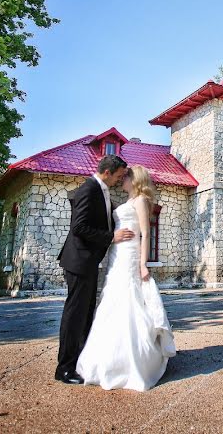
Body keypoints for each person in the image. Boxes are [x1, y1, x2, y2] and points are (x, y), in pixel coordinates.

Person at [76, 165, 177, 391]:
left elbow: (145, 233)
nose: (122, 179)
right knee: (111, 300)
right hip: (117, 254)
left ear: (135, 179)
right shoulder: (127, 200)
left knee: (128, 300)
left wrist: (143, 264)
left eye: (126, 176)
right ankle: (106, 357)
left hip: (130, 255)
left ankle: (134, 362)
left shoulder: (141, 200)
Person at [55, 154, 135, 385]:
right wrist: (111, 237)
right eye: (119, 176)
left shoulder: (102, 190)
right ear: (107, 172)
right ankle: (64, 368)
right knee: (74, 316)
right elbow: (79, 228)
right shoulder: (88, 190)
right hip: (78, 261)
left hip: (88, 262)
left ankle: (80, 362)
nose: (120, 180)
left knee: (86, 314)